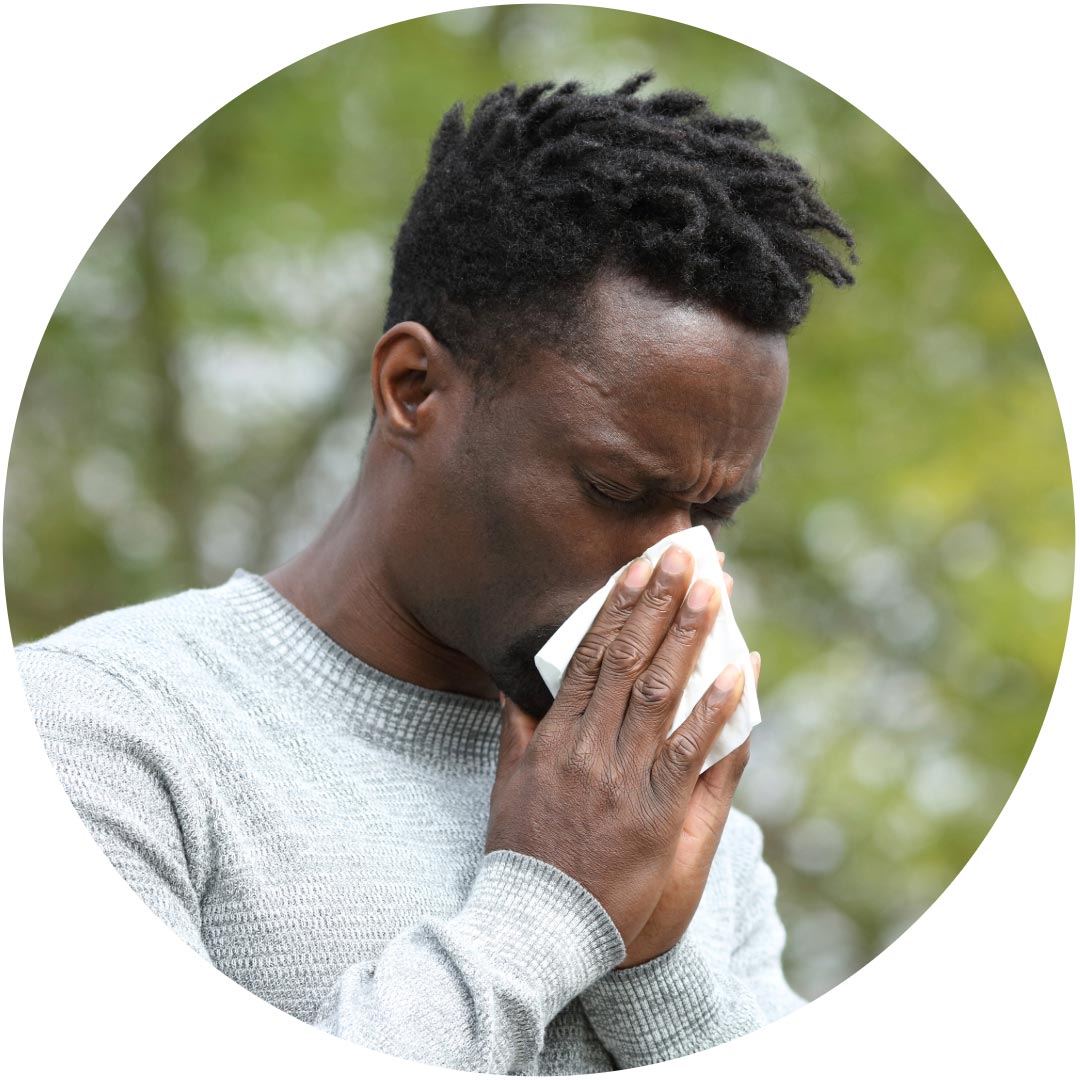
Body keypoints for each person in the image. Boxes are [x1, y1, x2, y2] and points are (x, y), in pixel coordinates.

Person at [15, 72, 856, 1073]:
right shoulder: (99, 736)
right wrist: (547, 911)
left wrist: (653, 963)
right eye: (617, 490)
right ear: (413, 389)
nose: (679, 576)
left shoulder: (668, 807)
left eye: (709, 514)